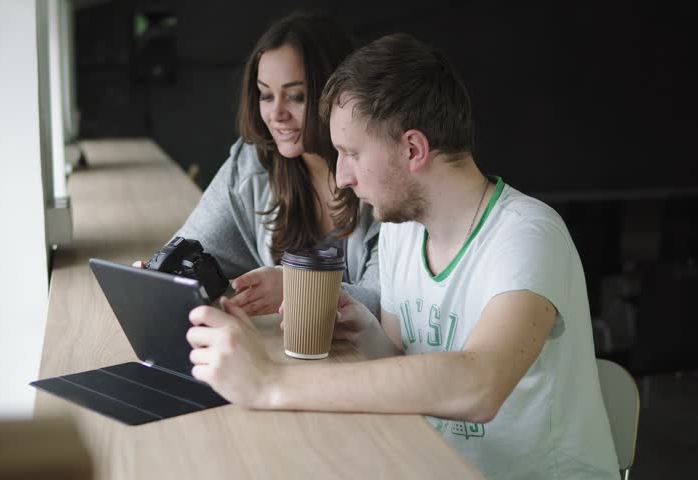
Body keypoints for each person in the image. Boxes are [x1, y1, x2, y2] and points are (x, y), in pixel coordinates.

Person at [185, 33, 620, 479]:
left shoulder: (528, 234)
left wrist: (270, 382)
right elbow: (398, 359)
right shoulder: (403, 233)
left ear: (413, 149)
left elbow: (480, 385)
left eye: (351, 153)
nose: (342, 176)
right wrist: (364, 328)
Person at [160, 10, 380, 317]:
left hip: (362, 361)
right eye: (265, 95)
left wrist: (300, 287)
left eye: (296, 96)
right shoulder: (254, 163)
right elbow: (193, 249)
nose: (277, 113)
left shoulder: (383, 173)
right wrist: (161, 275)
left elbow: (389, 304)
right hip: (281, 355)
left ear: (338, 94)